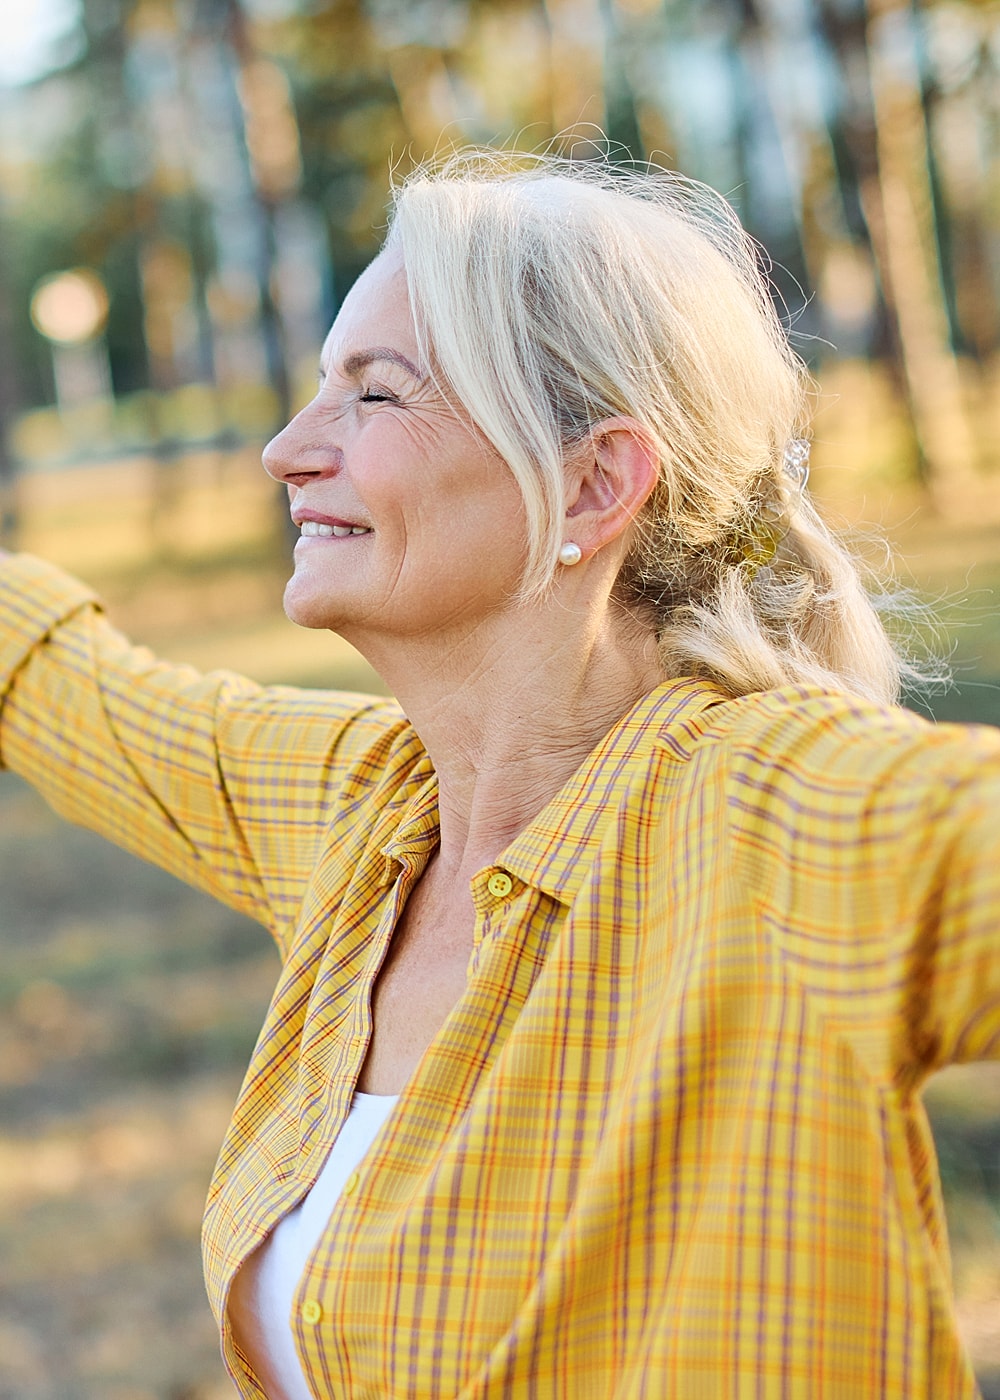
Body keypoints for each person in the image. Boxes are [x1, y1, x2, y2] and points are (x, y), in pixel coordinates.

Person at [1, 147, 998, 1400]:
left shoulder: (779, 812)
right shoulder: (366, 813)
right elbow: (66, 686)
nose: (287, 450)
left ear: (591, 481)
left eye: (375, 394)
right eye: (322, 389)